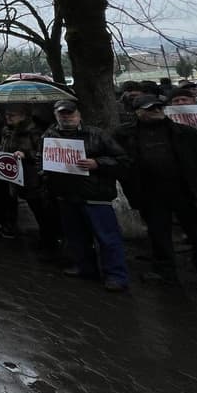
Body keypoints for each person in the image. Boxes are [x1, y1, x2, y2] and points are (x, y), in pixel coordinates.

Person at [115, 94, 197, 295]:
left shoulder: (186, 133)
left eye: (159, 107)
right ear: (137, 112)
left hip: (187, 193)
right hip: (151, 195)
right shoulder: (124, 134)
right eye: (150, 108)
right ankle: (167, 275)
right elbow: (120, 161)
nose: (156, 110)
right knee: (159, 236)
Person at [43, 99, 131, 293]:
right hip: (66, 196)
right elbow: (41, 159)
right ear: (56, 116)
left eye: (70, 114)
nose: (66, 118)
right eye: (62, 114)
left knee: (107, 238)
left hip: (95, 196)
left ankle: (116, 275)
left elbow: (123, 160)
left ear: (79, 115)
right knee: (76, 237)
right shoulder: (49, 135)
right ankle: (86, 268)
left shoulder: (96, 134)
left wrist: (97, 163)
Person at [1, 105, 61, 255]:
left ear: (23, 115)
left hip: (34, 179)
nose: (8, 117)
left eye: (12, 114)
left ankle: (50, 245)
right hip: (18, 178)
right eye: (7, 114)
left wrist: (26, 154)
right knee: (37, 212)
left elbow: (44, 154)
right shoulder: (8, 131)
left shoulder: (35, 132)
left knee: (43, 214)